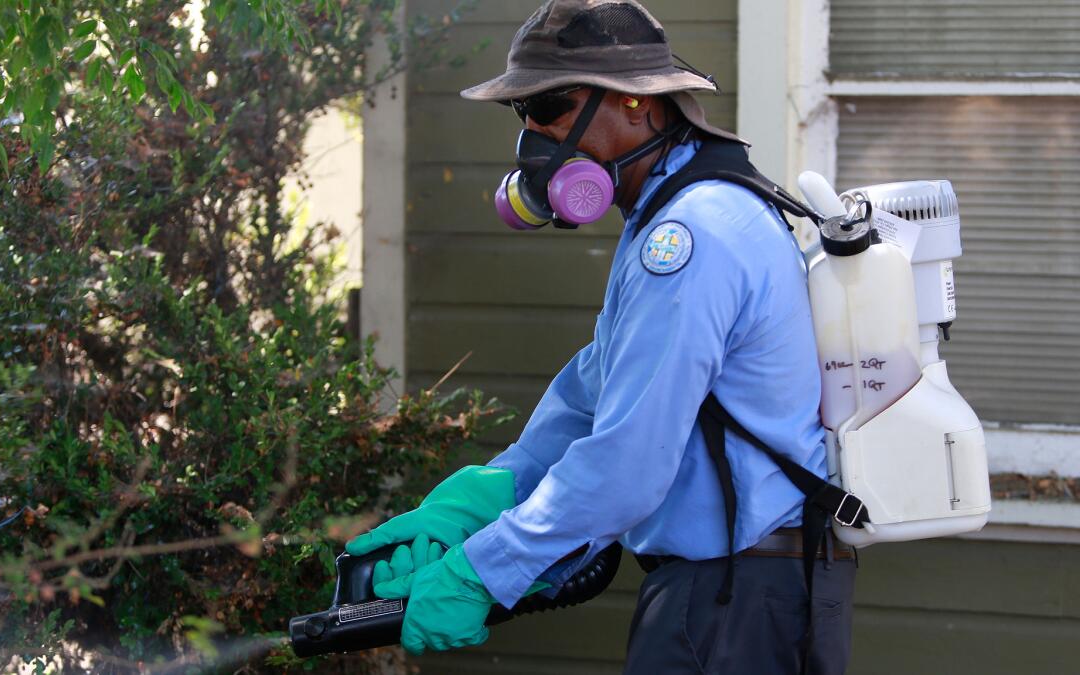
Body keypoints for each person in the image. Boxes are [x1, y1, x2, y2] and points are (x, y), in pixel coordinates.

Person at [347, 1, 857, 672]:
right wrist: (483, 495)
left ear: (639, 105)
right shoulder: (670, 215)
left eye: (552, 104)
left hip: (735, 602)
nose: (534, 135)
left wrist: (481, 570)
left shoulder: (691, 237)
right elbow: (592, 395)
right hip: (731, 593)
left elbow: (627, 465)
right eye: (522, 112)